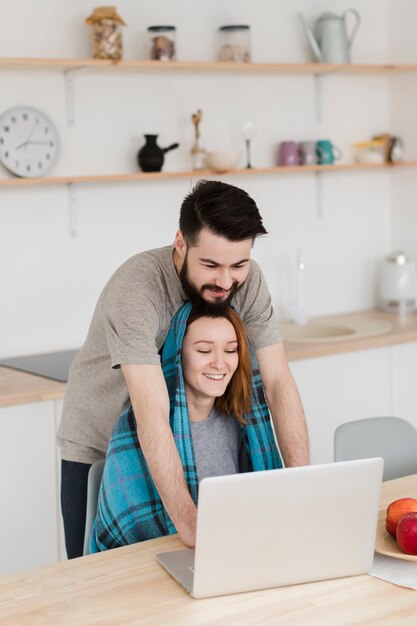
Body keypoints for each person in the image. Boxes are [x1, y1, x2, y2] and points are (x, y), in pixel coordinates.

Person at [58, 179, 309, 558]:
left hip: (183, 440)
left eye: (238, 264)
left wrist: (304, 490)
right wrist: (192, 528)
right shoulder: (138, 289)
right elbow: (152, 413)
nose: (226, 281)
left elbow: (277, 382)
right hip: (100, 444)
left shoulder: (249, 280)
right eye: (210, 264)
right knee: (89, 584)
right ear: (181, 243)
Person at [90, 303, 283, 552]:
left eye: (231, 350)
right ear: (178, 355)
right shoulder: (134, 429)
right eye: (204, 350)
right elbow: (123, 535)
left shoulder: (240, 421)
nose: (220, 363)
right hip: (157, 558)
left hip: (229, 549)